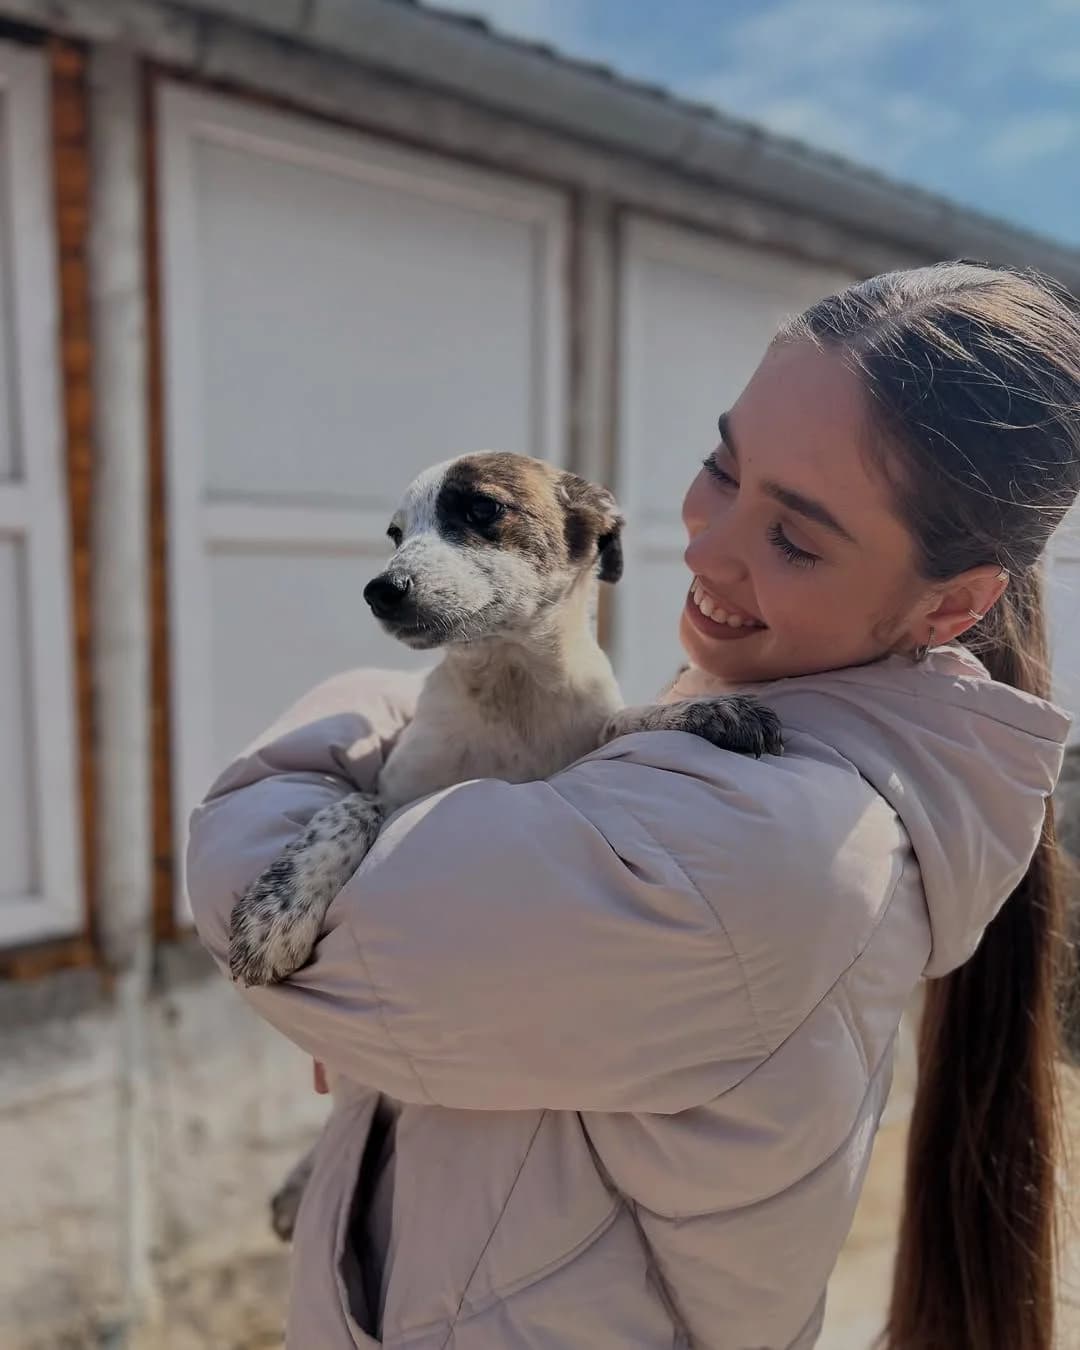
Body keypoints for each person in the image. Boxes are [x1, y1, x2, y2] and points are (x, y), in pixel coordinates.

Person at [187, 262, 1080, 1350]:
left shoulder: (777, 850)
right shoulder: (717, 736)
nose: (702, 546)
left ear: (953, 604)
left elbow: (261, 909)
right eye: (720, 466)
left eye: (795, 536)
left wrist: (351, 709)